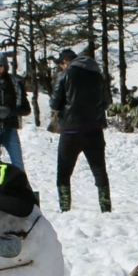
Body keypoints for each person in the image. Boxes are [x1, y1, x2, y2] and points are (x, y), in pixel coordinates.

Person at [50, 48, 111, 212]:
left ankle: (65, 208)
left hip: (71, 130)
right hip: (94, 129)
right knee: (99, 170)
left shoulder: (65, 75)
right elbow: (106, 102)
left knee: (63, 172)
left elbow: (54, 103)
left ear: (65, 62)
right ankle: (106, 208)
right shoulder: (97, 74)